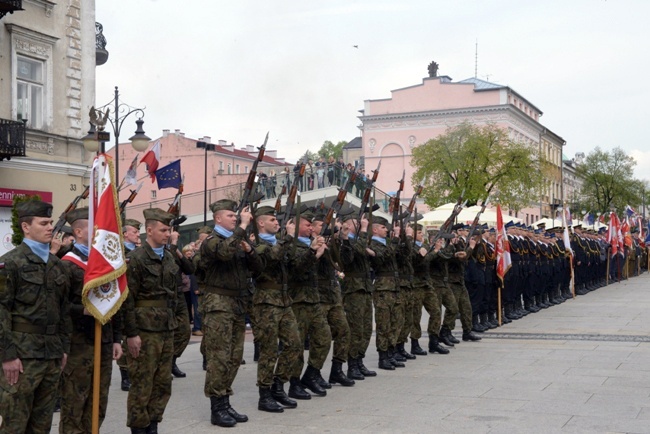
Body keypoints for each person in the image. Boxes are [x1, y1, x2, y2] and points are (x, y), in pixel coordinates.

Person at [0, 200, 72, 433]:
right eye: (44, 223)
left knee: (42, 425)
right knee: (15, 424)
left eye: (51, 222)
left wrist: (63, 348)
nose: (51, 227)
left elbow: (64, 312)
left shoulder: (56, 265)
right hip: (22, 357)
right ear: (26, 227)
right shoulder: (10, 263)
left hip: (51, 354)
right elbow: (1, 310)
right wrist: (7, 355)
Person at [197, 199, 264, 427]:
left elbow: (258, 269)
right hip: (218, 304)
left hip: (237, 304)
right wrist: (243, 229)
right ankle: (217, 407)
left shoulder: (238, 240)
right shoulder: (211, 241)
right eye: (230, 215)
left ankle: (225, 402)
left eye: (236, 216)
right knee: (219, 357)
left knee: (235, 357)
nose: (235, 218)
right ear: (217, 218)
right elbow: (224, 253)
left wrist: (250, 249)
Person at [59, 207, 123, 433]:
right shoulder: (66, 264)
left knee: (99, 399)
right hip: (78, 342)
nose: (99, 230)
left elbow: (114, 300)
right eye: (93, 226)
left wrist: (116, 338)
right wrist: (82, 311)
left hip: (103, 339)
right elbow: (58, 305)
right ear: (78, 231)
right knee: (75, 401)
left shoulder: (104, 261)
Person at [123, 208, 180, 434]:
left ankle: (153, 423)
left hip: (166, 328)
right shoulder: (136, 259)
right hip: (144, 330)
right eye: (163, 230)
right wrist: (131, 333)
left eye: (169, 230)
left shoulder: (168, 257)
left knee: (163, 381)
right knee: (142, 382)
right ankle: (139, 427)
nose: (167, 234)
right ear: (149, 230)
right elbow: (128, 299)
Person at [251, 206, 302, 412]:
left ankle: (279, 385)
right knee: (269, 350)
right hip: (266, 301)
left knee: (294, 344)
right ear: (261, 223)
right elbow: (271, 259)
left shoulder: (280, 243)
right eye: (272, 220)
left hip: (284, 300)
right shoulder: (257, 244)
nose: (277, 223)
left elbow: (295, 267)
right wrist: (287, 238)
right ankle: (264, 394)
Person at [285, 209, 330, 398]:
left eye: (311, 224)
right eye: (307, 224)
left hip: (313, 298)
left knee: (324, 338)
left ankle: (311, 374)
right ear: (294, 226)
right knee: (298, 344)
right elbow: (297, 269)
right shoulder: (290, 245)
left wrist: (319, 252)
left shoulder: (307, 244)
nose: (311, 227)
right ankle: (294, 383)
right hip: (298, 300)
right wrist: (313, 252)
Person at [311, 213, 355, 387]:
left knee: (343, 331)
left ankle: (337, 370)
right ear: (313, 227)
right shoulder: (308, 244)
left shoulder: (331, 243)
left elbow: (345, 261)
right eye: (322, 225)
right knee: (320, 337)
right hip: (317, 296)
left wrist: (343, 238)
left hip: (332, 295)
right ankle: (313, 373)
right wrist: (316, 249)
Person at [339, 213, 377, 379]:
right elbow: (359, 250)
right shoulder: (345, 241)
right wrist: (362, 229)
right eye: (354, 223)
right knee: (355, 329)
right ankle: (352, 364)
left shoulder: (359, 240)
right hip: (354, 290)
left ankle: (359, 360)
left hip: (365, 288)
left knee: (366, 328)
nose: (359, 224)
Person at [367, 216, 403, 370]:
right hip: (383, 288)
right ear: (374, 229)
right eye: (383, 227)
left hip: (394, 287)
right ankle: (383, 356)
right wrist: (395, 239)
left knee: (397, 321)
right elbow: (383, 256)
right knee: (384, 324)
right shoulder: (372, 244)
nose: (386, 230)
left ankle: (390, 352)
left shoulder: (387, 244)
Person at [116, 218, 142, 392]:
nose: (138, 235)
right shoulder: (119, 251)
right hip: (123, 298)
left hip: (137, 300)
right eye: (134, 232)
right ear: (125, 234)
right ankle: (125, 375)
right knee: (126, 337)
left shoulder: (139, 252)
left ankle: (133, 371)